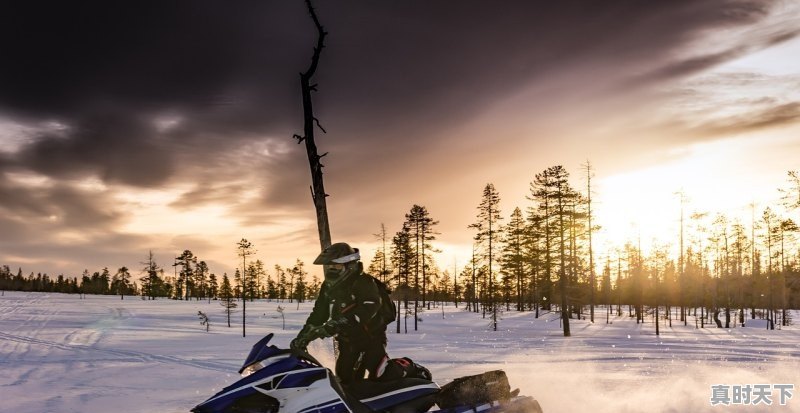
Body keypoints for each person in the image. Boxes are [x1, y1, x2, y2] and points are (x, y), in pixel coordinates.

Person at [290, 242, 429, 384]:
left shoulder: (364, 282)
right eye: (329, 266)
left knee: (380, 374)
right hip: (346, 340)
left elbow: (369, 308)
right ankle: (364, 404)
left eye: (336, 266)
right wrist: (303, 337)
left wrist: (336, 324)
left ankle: (409, 366)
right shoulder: (328, 287)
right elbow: (318, 314)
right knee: (345, 379)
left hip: (370, 338)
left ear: (349, 266)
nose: (331, 270)